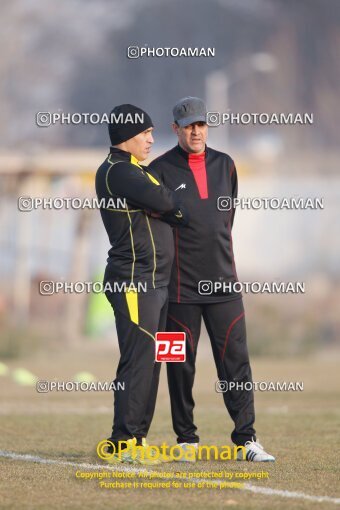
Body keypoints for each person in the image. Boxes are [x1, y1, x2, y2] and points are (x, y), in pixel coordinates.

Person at [149, 97, 275, 462]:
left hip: (224, 286)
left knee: (236, 362)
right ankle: (186, 439)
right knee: (177, 364)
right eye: (189, 126)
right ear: (176, 129)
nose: (196, 131)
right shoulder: (159, 169)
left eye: (201, 125)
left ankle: (247, 439)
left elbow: (225, 221)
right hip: (177, 289)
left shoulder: (226, 165)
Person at [95, 104, 187, 464]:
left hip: (156, 282)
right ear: (126, 137)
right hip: (134, 281)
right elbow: (168, 201)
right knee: (139, 358)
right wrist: (167, 205)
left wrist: (168, 206)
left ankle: (137, 437)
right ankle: (123, 440)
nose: (152, 138)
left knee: (153, 360)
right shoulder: (117, 171)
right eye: (145, 133)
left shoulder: (138, 171)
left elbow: (175, 211)